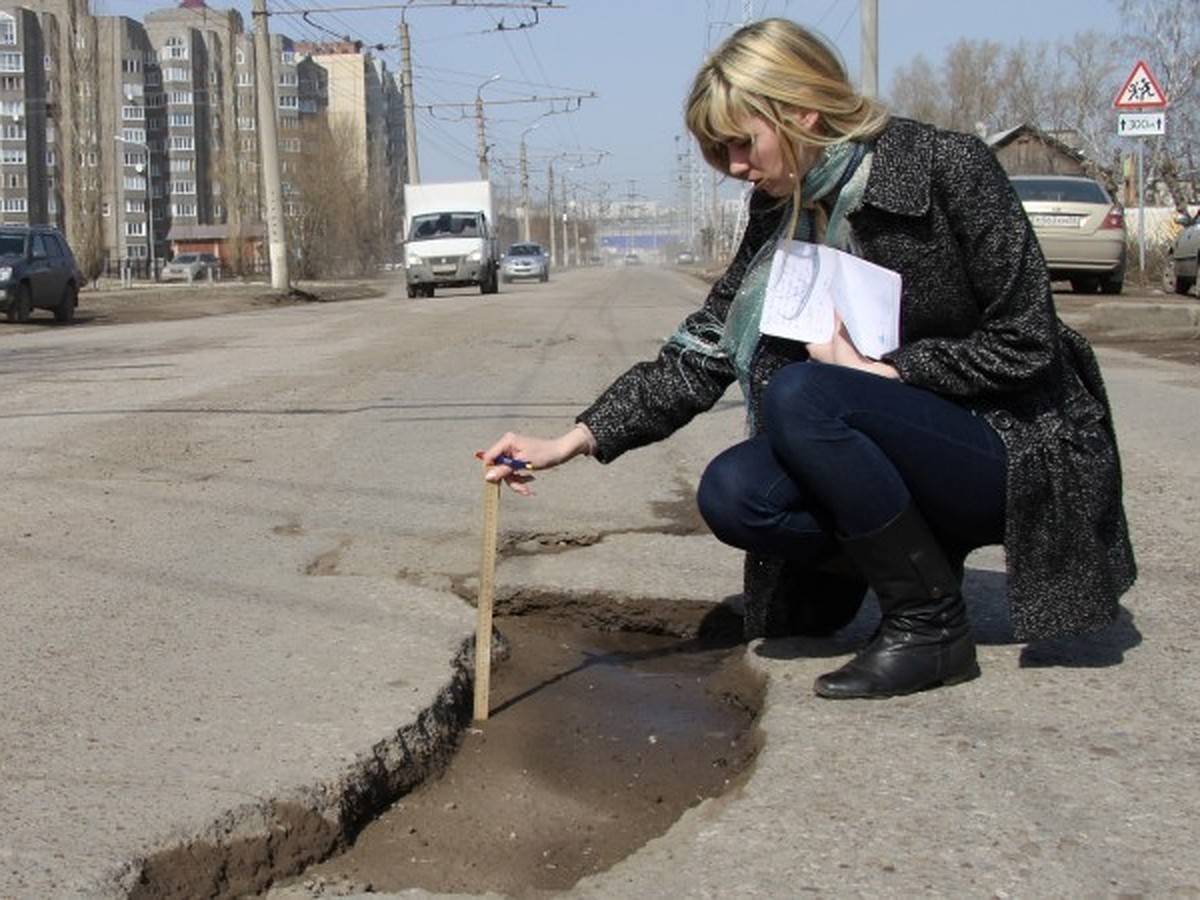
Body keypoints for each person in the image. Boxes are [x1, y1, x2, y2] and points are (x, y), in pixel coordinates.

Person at [480, 18, 1135, 699]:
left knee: (805, 394)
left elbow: (1028, 342)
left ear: (801, 110)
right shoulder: (786, 208)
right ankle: (919, 564)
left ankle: (931, 626)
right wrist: (572, 440)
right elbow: (701, 352)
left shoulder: (949, 168)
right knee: (735, 495)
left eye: (742, 142)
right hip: (894, 449)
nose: (735, 166)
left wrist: (891, 374)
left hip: (1009, 446)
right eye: (718, 151)